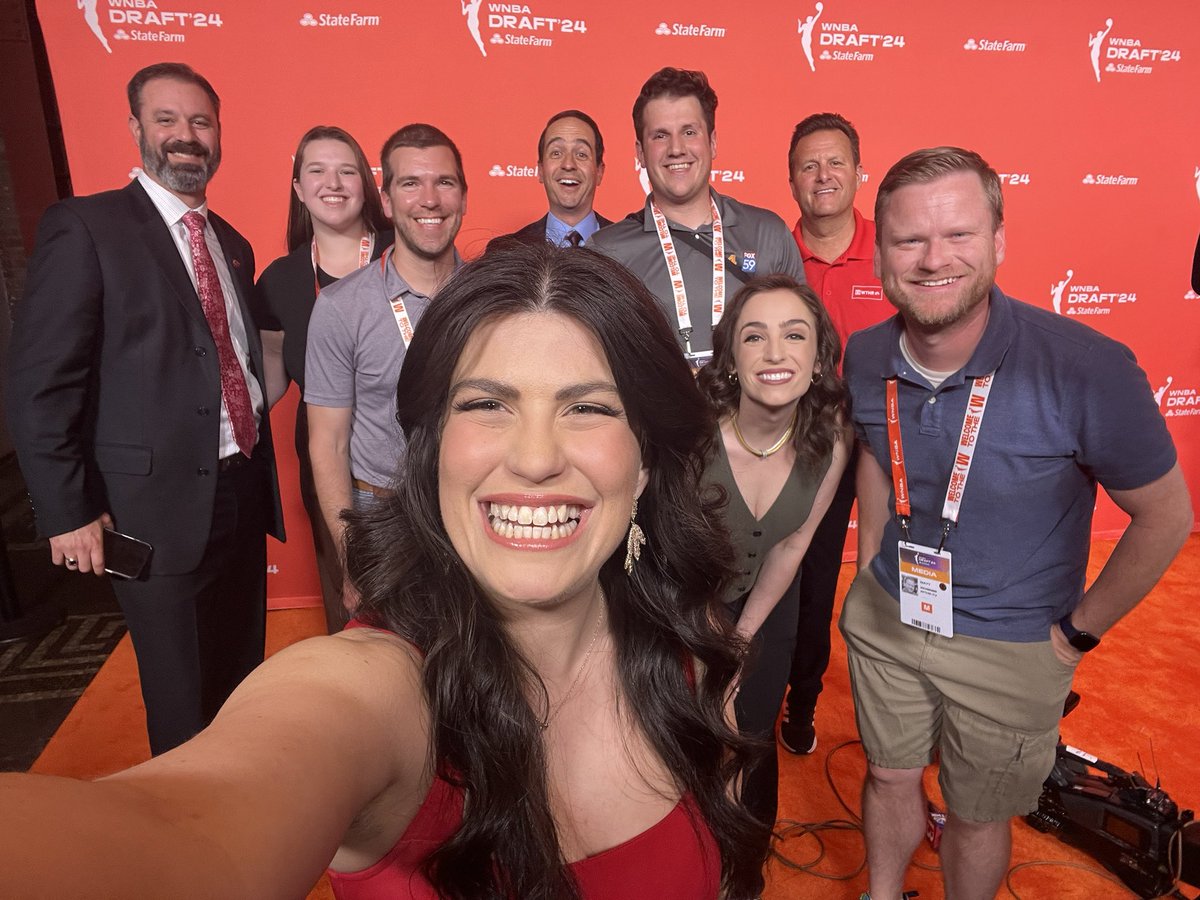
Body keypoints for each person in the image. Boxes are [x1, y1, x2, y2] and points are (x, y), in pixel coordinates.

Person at [1, 244, 765, 900]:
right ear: (432, 453)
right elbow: (174, 835)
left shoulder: (693, 643)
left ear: (644, 464)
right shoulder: (369, 691)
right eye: (487, 404)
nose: (535, 458)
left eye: (589, 409)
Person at [841, 147, 1192, 900]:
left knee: (975, 815)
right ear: (882, 252)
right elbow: (876, 448)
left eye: (959, 235)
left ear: (999, 241)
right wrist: (871, 564)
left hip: (1013, 645)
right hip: (889, 619)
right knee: (888, 774)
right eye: (910, 240)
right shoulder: (865, 355)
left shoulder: (1088, 367)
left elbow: (1165, 515)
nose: (934, 259)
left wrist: (1073, 637)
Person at [6, 62, 285, 757]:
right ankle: (193, 837)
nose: (186, 136)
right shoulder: (86, 227)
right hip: (150, 512)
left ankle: (242, 800)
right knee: (182, 694)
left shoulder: (233, 244)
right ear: (135, 128)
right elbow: (41, 382)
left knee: (239, 674)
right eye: (168, 120)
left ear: (218, 135)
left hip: (241, 488)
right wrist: (66, 511)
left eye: (200, 122)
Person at [696, 275, 847, 839]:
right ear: (731, 357)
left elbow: (792, 544)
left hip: (766, 596)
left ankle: (742, 861)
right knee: (683, 729)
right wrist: (713, 642)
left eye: (795, 335)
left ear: (818, 358)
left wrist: (741, 642)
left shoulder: (833, 438)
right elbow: (661, 551)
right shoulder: (690, 430)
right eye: (755, 336)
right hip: (680, 598)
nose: (776, 353)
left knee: (752, 729)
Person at [305, 123, 464, 612]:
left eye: (445, 182)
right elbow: (327, 442)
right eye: (411, 183)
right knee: (391, 673)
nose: (430, 199)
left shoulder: (493, 296)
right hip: (383, 515)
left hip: (474, 508)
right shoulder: (340, 308)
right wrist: (351, 557)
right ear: (388, 200)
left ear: (463, 195)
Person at [779, 112, 890, 756]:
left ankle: (810, 698)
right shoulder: (772, 250)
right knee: (792, 571)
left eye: (835, 163)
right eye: (808, 165)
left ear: (858, 171)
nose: (823, 176)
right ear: (791, 178)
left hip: (881, 450)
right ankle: (779, 689)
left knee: (859, 577)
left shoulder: (892, 246)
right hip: (795, 443)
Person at [254, 125, 392, 634]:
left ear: (366, 184)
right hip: (329, 472)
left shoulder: (407, 254)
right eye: (316, 170)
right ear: (297, 187)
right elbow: (268, 378)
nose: (332, 182)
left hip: (410, 467)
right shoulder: (279, 280)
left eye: (346, 170)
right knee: (353, 613)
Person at [592, 67, 805, 370]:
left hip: (755, 417)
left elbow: (803, 344)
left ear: (713, 142)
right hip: (656, 418)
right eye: (660, 136)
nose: (676, 149)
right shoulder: (606, 252)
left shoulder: (767, 234)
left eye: (689, 132)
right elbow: (592, 363)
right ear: (640, 152)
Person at [489, 109, 611, 249]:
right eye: (556, 153)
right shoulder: (505, 251)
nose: (568, 164)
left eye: (581, 154)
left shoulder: (630, 248)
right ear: (541, 170)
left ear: (599, 171)